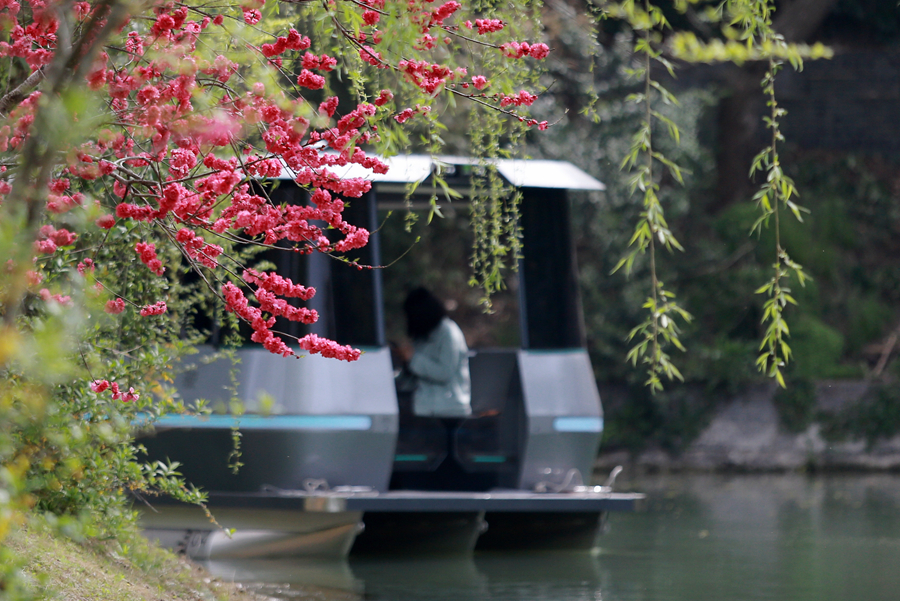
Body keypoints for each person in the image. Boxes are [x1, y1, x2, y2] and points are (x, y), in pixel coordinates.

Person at [400, 287, 472, 418]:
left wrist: (412, 358)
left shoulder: (448, 333)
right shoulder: (423, 334)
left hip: (449, 410)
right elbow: (415, 377)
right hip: (425, 408)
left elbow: (444, 372)